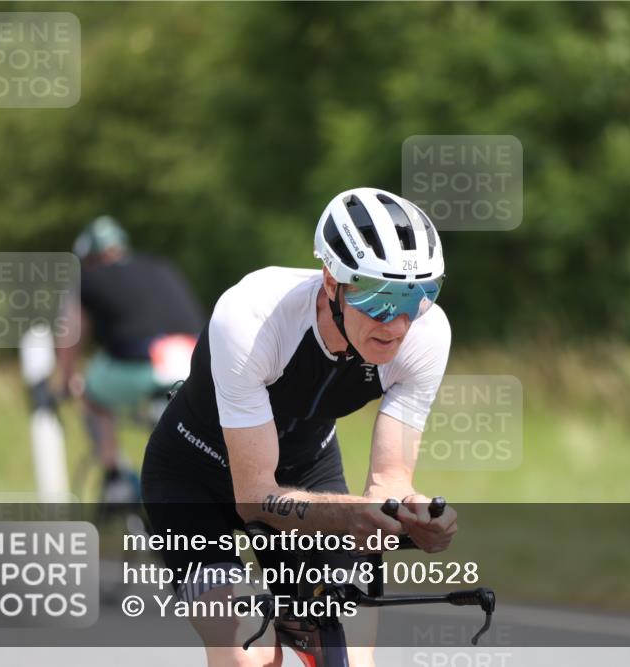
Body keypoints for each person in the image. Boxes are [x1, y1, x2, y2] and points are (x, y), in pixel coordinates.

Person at [141, 187, 458, 667]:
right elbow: (254, 496)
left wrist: (412, 518)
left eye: (419, 296)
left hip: (308, 469)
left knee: (349, 650)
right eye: (380, 298)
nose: (397, 323)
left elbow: (389, 480)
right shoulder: (252, 317)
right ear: (332, 282)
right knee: (247, 650)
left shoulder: (427, 335)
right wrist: (349, 515)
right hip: (193, 479)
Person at [58, 215, 204, 503]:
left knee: (91, 395)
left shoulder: (88, 279)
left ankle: (115, 478)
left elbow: (70, 337)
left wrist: (65, 383)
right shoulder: (162, 267)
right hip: (195, 361)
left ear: (89, 257)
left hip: (146, 364)